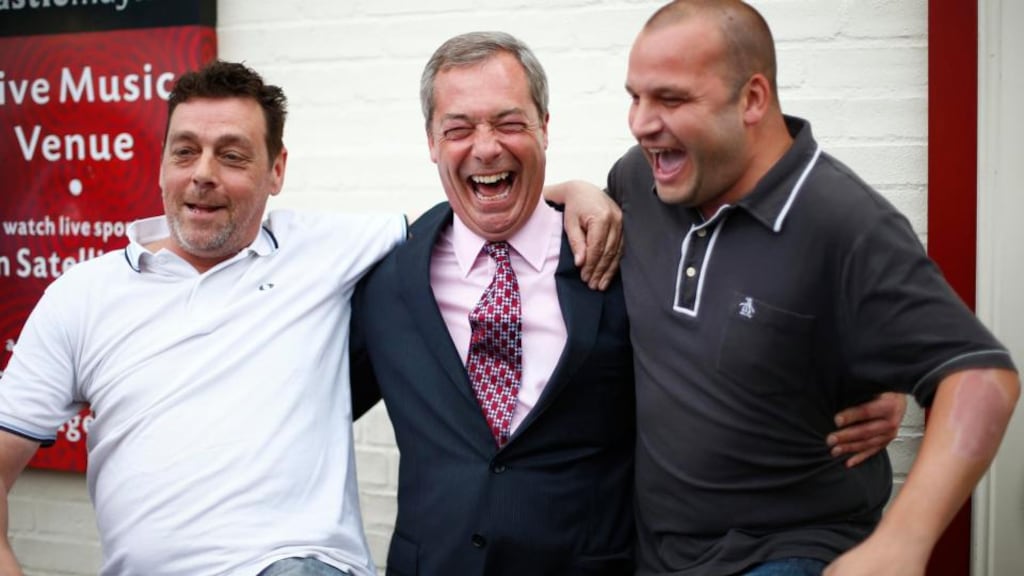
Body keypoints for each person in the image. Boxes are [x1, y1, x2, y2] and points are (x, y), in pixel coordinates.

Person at [349, 31, 908, 576]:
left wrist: (868, 363)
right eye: (459, 128)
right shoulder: (388, 282)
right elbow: (313, 394)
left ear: (545, 128)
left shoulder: (623, 250)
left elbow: (760, 295)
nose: (487, 145)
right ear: (430, 141)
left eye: (510, 122)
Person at [553, 1, 1020, 575]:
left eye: (671, 99)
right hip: (658, 555)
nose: (641, 121)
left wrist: (902, 541)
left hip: (788, 552)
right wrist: (579, 190)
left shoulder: (844, 222)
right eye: (635, 96)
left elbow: (980, 375)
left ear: (752, 99)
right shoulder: (641, 178)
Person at [0, 60, 408, 576]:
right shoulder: (83, 295)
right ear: (162, 165)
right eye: (185, 152)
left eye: (232, 156)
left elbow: (464, 228)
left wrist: (543, 203)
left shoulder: (321, 250)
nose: (203, 174)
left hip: (297, 564)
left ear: (276, 171)